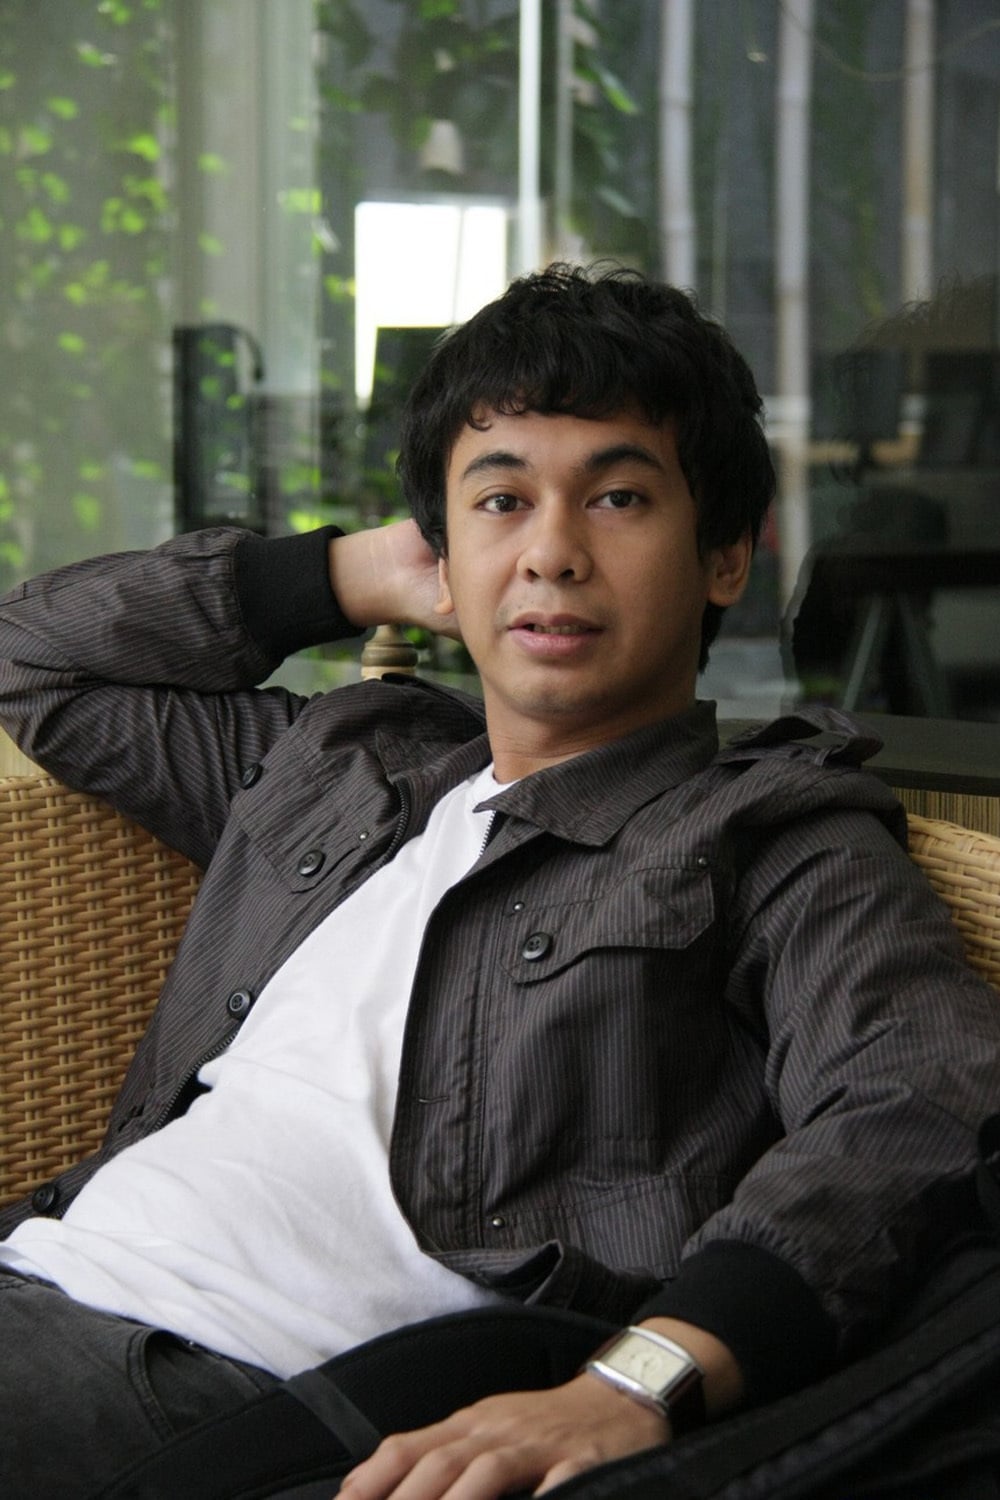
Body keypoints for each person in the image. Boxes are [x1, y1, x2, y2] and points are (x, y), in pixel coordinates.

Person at [0, 263, 997, 1500]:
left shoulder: (770, 834)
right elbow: (31, 661)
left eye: (618, 497)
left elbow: (914, 1101)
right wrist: (357, 571)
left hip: (233, 1389)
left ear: (726, 557)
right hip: (42, 1276)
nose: (552, 553)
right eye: (503, 500)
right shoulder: (341, 764)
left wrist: (639, 1379)